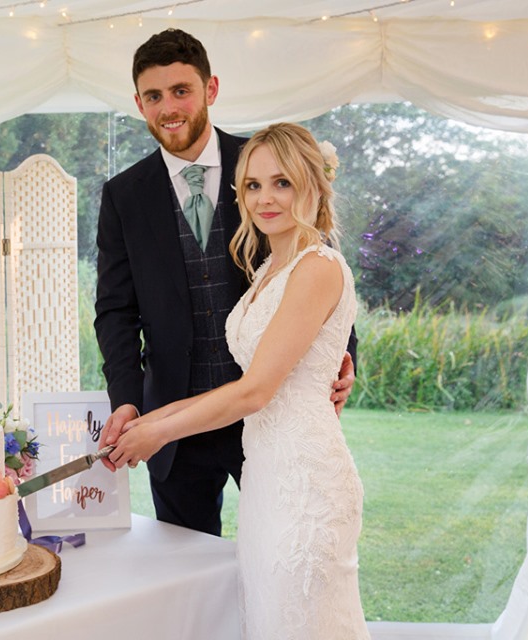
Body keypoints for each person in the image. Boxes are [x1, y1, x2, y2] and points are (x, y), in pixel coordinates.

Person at [109, 122, 369, 639]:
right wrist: (148, 415)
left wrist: (159, 432)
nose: (265, 198)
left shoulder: (316, 267)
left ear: (314, 186)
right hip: (267, 476)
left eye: (283, 183)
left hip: (304, 482)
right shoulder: (272, 265)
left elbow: (255, 390)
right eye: (252, 185)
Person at [94, 28, 357, 537]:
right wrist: (127, 399)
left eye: (181, 90)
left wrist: (342, 356)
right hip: (175, 420)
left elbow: (318, 263)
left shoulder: (267, 166)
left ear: (210, 89)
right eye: (154, 96)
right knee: (189, 579)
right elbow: (115, 311)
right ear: (139, 104)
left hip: (270, 413)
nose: (169, 107)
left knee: (287, 552)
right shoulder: (124, 195)